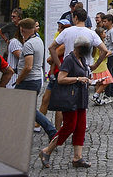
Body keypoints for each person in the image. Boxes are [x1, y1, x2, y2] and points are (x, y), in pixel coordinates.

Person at [38, 38, 93, 168]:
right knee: (69, 126)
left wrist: (87, 80)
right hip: (70, 99)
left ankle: (77, 158)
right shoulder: (69, 59)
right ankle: (47, 151)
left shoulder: (82, 59)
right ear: (79, 47)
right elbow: (61, 79)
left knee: (80, 127)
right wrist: (78, 78)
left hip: (80, 98)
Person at [14, 18, 58, 140]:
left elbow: (28, 66)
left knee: (28, 108)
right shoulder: (38, 40)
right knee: (26, 108)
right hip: (36, 79)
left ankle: (51, 130)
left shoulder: (29, 44)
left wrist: (18, 80)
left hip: (28, 81)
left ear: (22, 29)